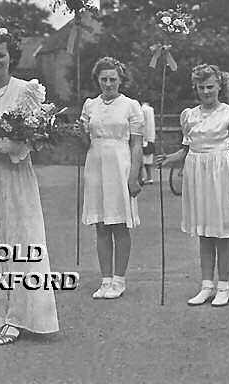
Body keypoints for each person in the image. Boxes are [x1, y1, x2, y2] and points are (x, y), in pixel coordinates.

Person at [0, 14, 59, 345]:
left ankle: (18, 317)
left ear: (11, 56)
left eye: (0, 54)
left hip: (14, 178)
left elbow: (33, 141)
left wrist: (7, 144)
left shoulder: (25, 90)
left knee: (16, 244)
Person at [157, 64, 229, 307]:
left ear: (220, 86)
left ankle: (223, 287)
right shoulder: (190, 115)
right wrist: (168, 159)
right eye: (201, 87)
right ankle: (206, 285)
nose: (206, 91)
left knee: (222, 233)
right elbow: (187, 150)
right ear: (195, 88)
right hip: (197, 175)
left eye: (210, 86)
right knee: (205, 234)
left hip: (221, 174)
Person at [81, 56, 144, 299]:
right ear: (97, 80)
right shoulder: (90, 105)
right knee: (101, 224)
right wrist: (80, 133)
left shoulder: (131, 106)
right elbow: (85, 142)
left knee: (119, 223)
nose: (108, 84)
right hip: (95, 163)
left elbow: (137, 145)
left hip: (120, 164)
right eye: (103, 79)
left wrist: (134, 176)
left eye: (113, 79)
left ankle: (119, 280)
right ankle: (105, 280)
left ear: (120, 80)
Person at [140, 101, 156, 185]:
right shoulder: (149, 110)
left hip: (145, 138)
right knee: (147, 159)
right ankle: (148, 177)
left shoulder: (143, 110)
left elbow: (144, 124)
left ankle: (143, 177)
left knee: (142, 160)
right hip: (150, 138)